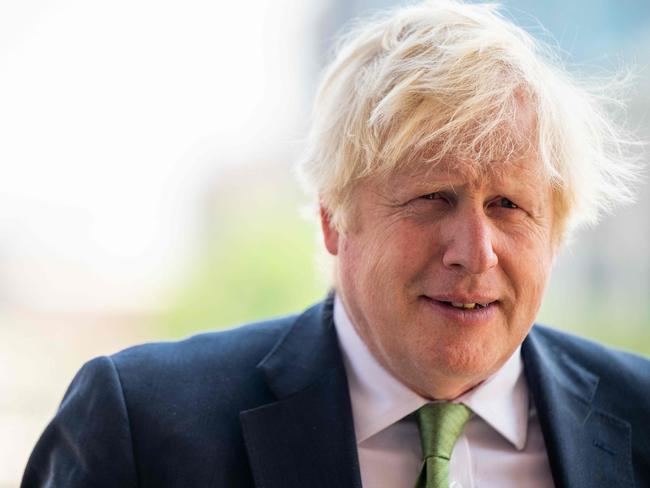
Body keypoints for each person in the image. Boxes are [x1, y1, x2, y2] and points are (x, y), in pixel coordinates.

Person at [22, 1, 650, 487]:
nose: (474, 251)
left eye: (508, 206)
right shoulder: (142, 427)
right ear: (333, 216)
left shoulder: (640, 415)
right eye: (434, 198)